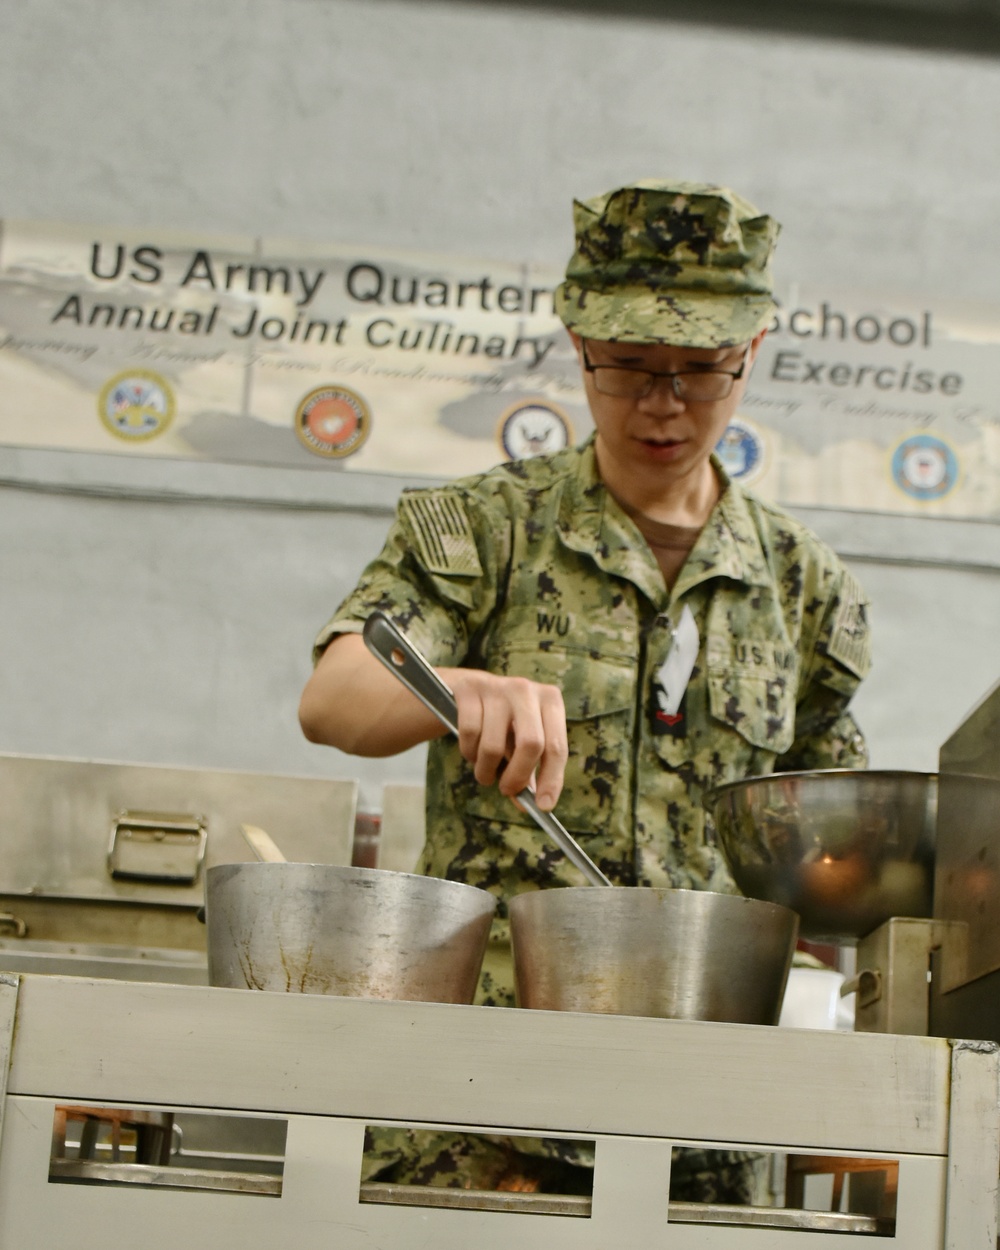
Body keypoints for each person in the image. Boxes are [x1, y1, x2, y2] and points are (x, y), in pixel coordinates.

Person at [299, 178, 871, 1201]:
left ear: (754, 351)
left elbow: (836, 840)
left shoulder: (800, 581)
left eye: (699, 370)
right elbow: (334, 699)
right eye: (628, 368)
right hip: (478, 1105)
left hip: (704, 1110)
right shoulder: (487, 528)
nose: (662, 403)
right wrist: (459, 687)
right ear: (576, 349)